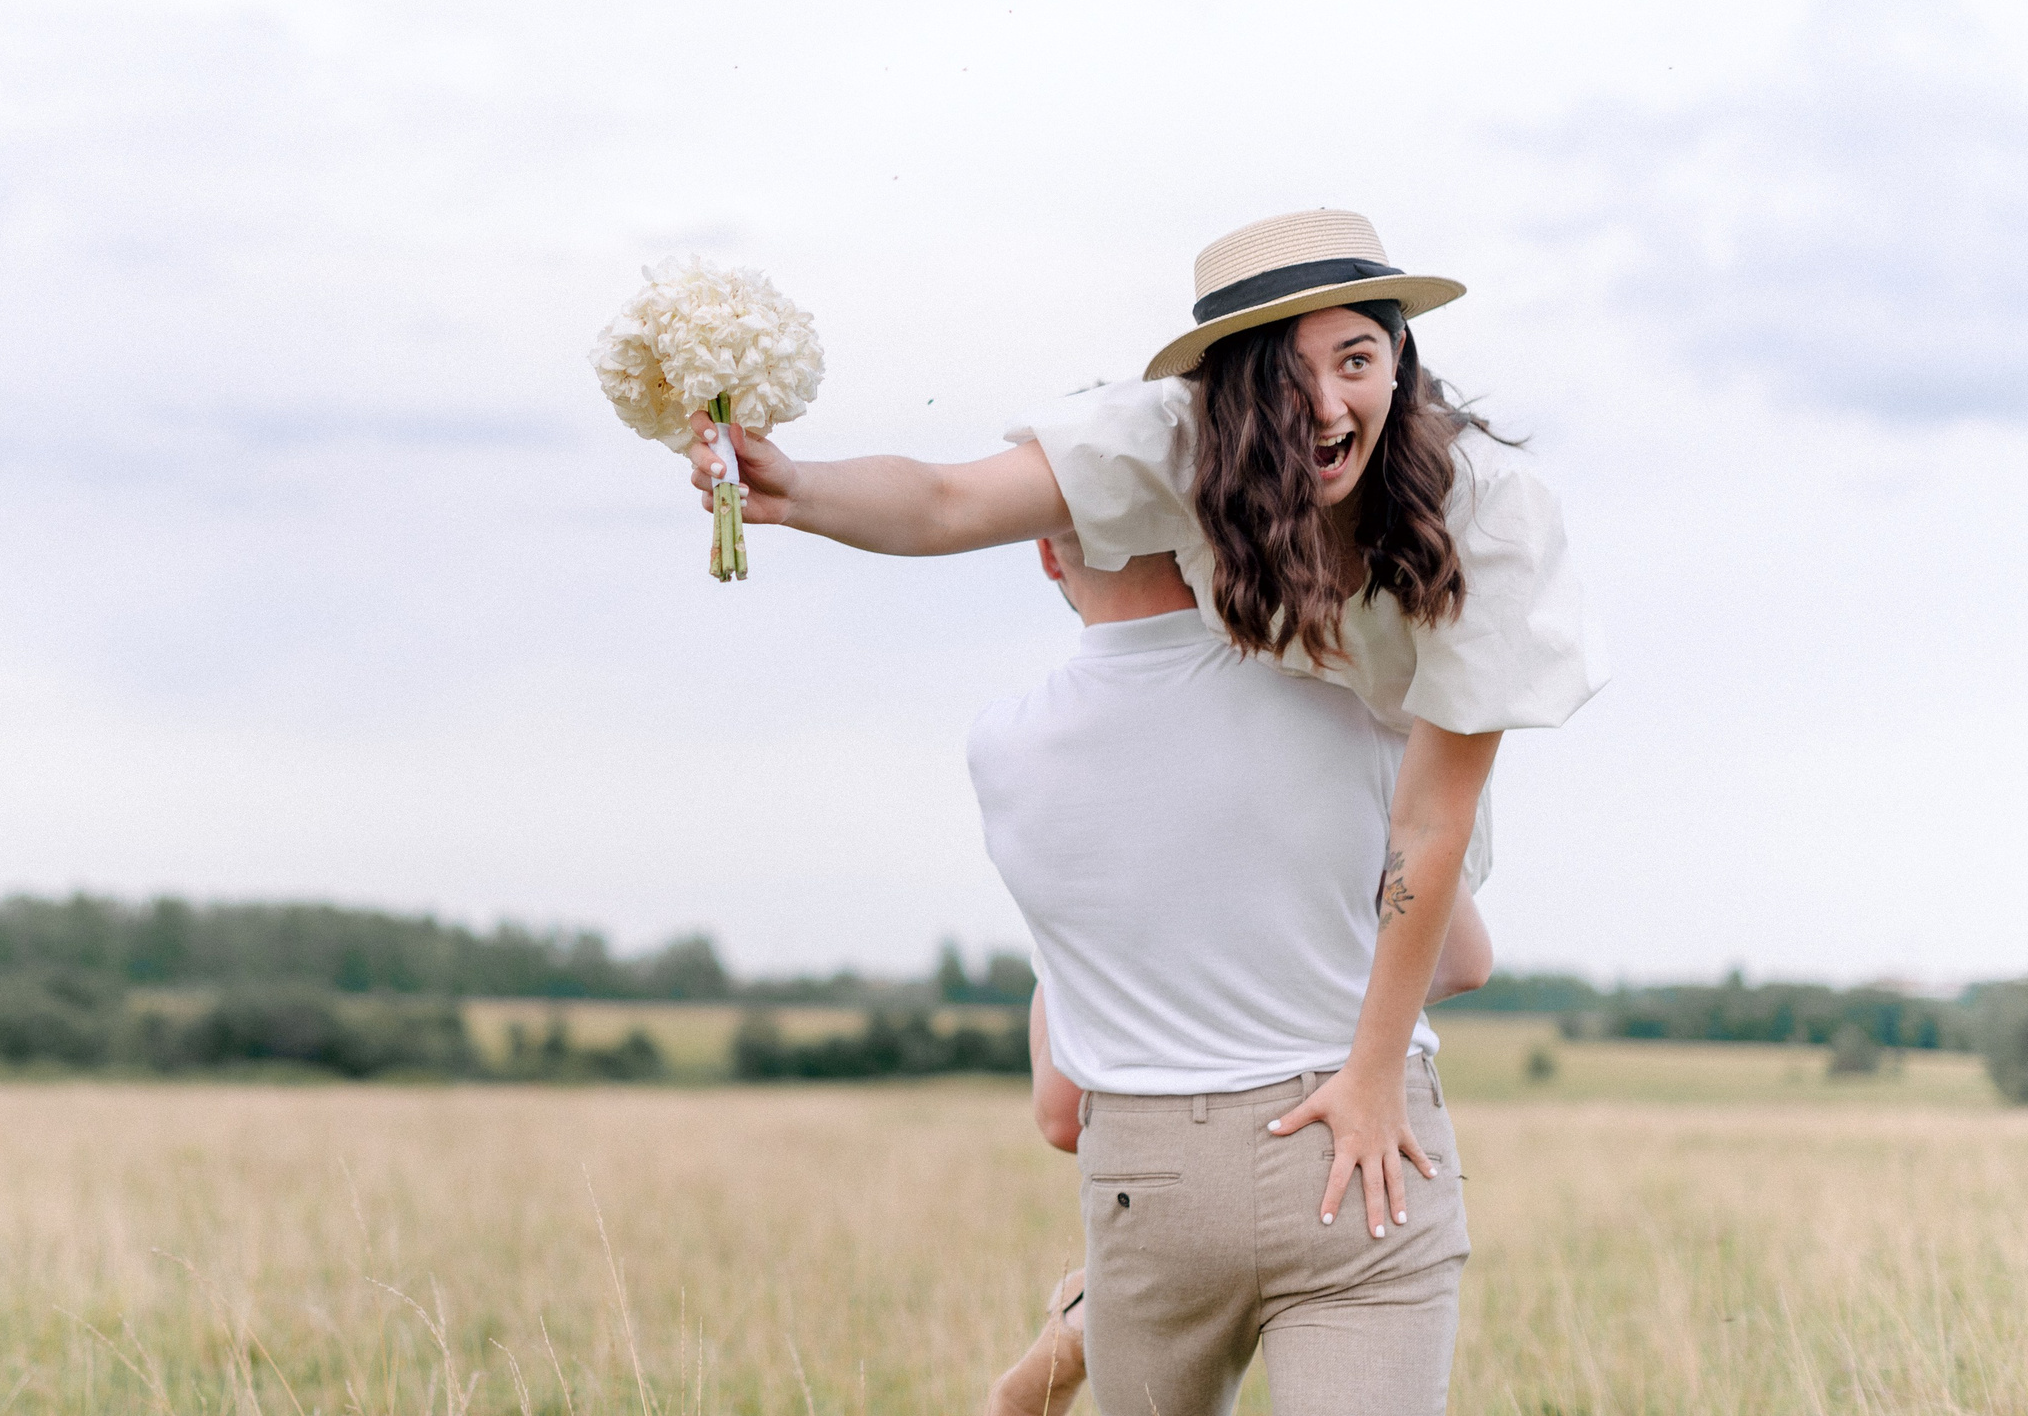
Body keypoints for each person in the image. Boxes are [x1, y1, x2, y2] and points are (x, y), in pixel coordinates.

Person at [685, 208, 1603, 1244]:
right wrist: (798, 486)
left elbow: (1430, 821)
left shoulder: (1491, 516)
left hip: (1407, 741)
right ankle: (1131, 1265)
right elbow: (948, 500)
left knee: (1454, 956)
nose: (1326, 403)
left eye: (1357, 358)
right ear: (1224, 389)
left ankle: (1127, 1296)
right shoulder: (1175, 435)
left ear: (1399, 355)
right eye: (1285, 374)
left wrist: (1372, 1076)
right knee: (1108, 1057)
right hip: (1265, 691)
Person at [972, 529, 1493, 1416]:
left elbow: (1061, 1111)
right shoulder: (1336, 685)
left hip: (1153, 1183)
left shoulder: (1005, 749)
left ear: (1049, 556)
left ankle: (1083, 1319)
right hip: (1358, 1150)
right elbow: (1462, 959)